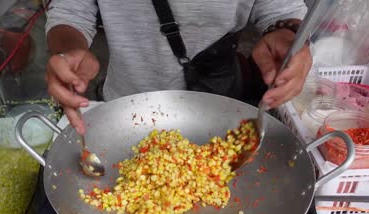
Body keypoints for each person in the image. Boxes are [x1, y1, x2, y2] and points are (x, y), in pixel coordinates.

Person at [45, 0, 312, 134]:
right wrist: (67, 50)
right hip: (127, 113)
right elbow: (70, 9)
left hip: (222, 111)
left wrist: (290, 33)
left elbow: (281, 7)